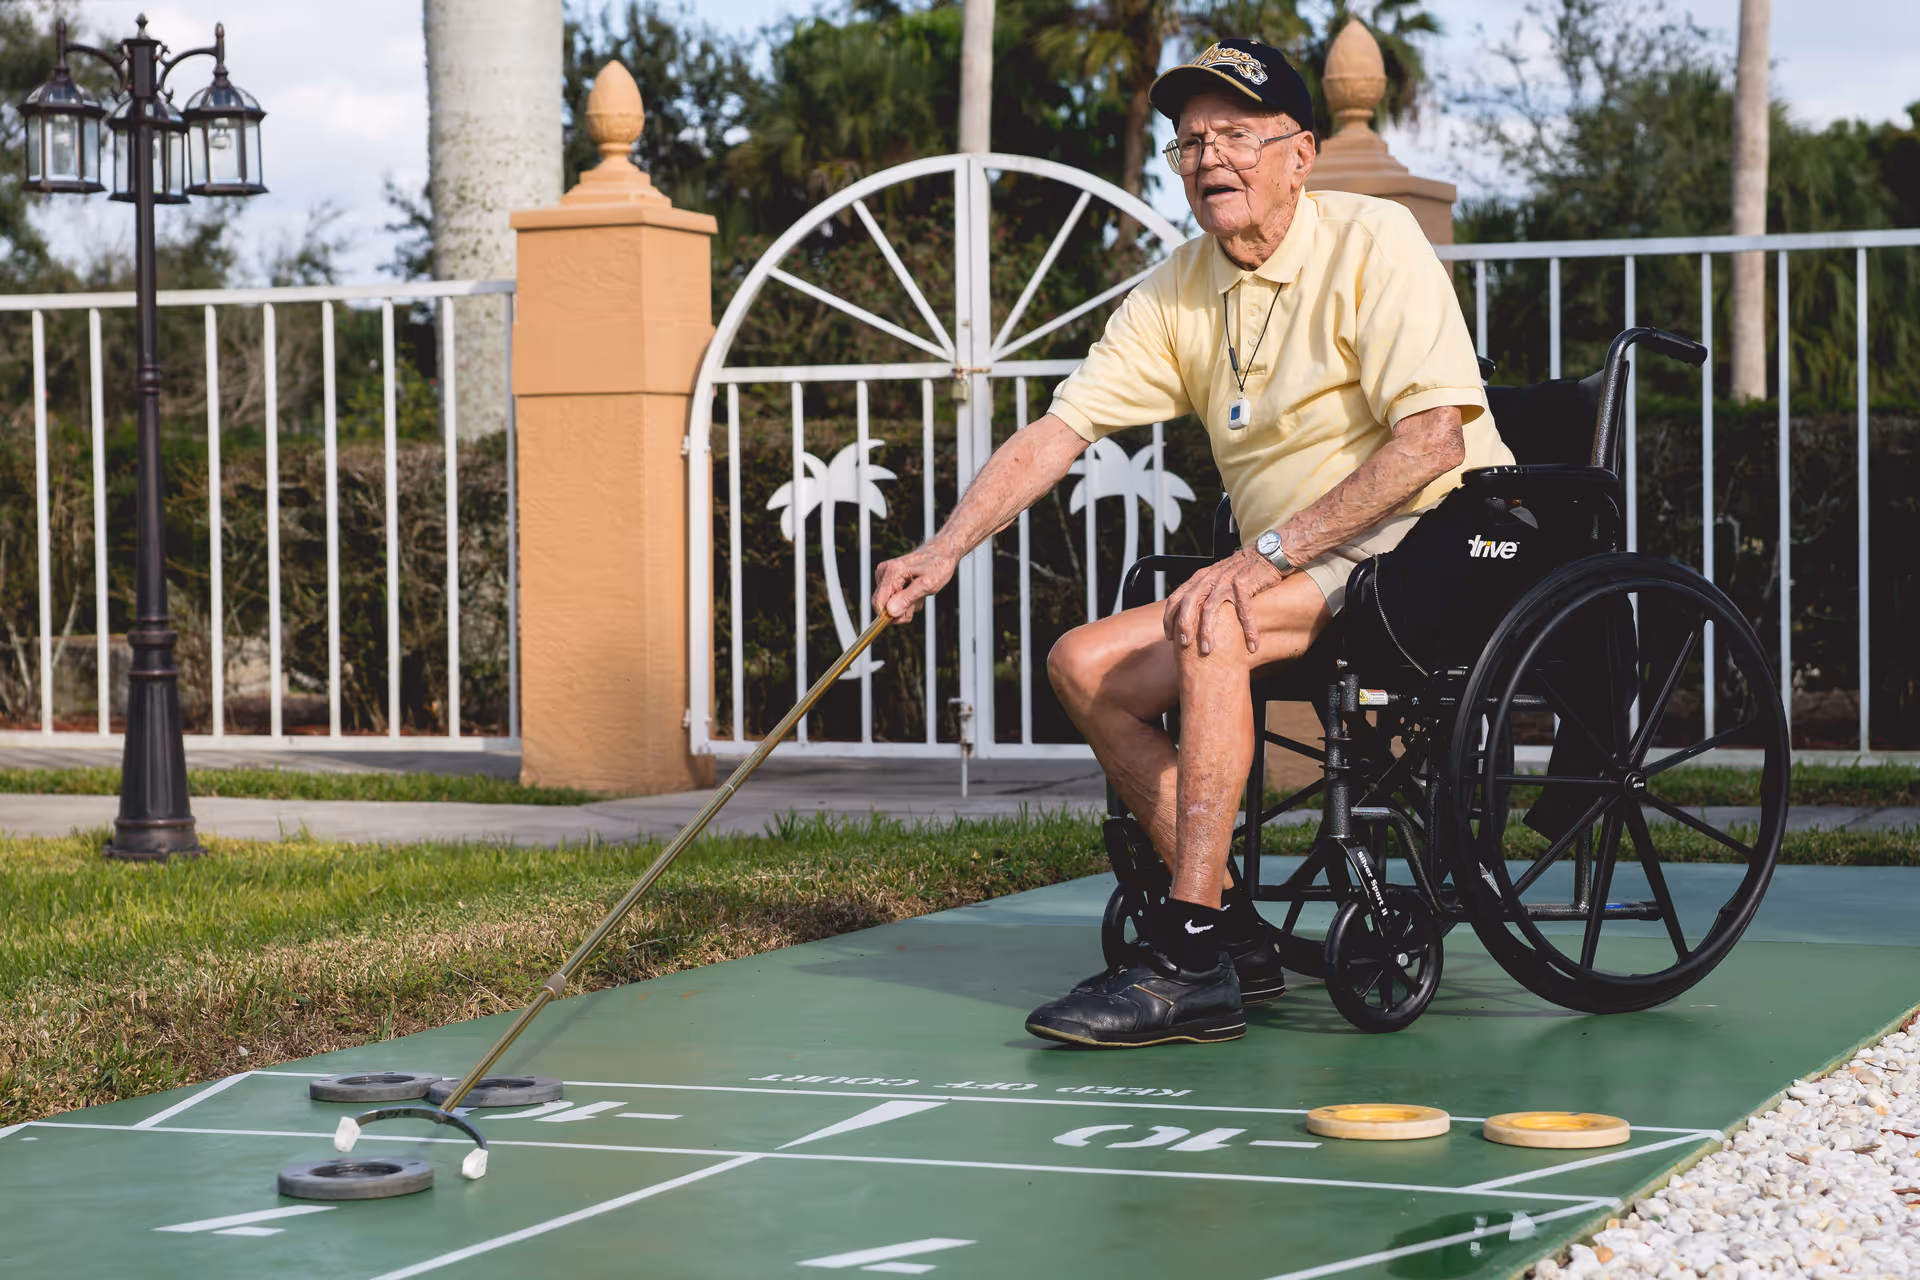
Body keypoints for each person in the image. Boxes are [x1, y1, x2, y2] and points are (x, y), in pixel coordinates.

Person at [871, 38, 1513, 1048]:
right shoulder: (1177, 289)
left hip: (1430, 537)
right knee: (1084, 664)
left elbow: (1431, 437)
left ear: (1299, 154)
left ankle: (1185, 954)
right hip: (1296, 563)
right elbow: (1058, 433)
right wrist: (945, 547)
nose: (1210, 156)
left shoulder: (1375, 240)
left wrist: (1263, 556)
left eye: (1237, 135)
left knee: (1219, 611)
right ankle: (1234, 935)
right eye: (1190, 140)